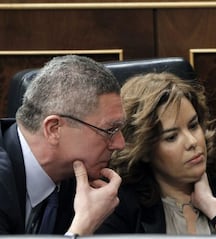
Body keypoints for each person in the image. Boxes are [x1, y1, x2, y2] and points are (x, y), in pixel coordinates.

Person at [96, 72, 216, 235]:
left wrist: (215, 209)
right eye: (172, 137)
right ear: (144, 150)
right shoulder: (121, 206)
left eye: (193, 125)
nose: (192, 142)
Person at [0, 55, 125, 235]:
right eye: (110, 130)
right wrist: (83, 226)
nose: (120, 144)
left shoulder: (83, 183)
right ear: (54, 129)